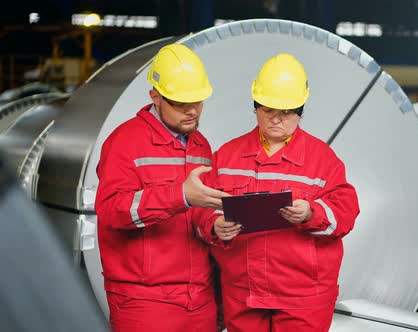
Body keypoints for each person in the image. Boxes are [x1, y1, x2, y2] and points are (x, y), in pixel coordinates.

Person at [195, 53, 360, 332]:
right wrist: (214, 225)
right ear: (255, 106)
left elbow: (345, 213)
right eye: (268, 110)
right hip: (243, 292)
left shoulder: (323, 160)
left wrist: (311, 213)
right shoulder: (227, 156)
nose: (276, 119)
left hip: (303, 297)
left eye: (286, 112)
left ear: (300, 110)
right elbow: (201, 207)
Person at [95, 43, 227, 332]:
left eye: (199, 101)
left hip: (198, 297)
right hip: (144, 300)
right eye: (181, 104)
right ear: (155, 97)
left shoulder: (200, 145)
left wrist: (216, 226)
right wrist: (179, 195)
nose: (193, 111)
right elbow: (111, 211)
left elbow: (198, 213)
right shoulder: (124, 143)